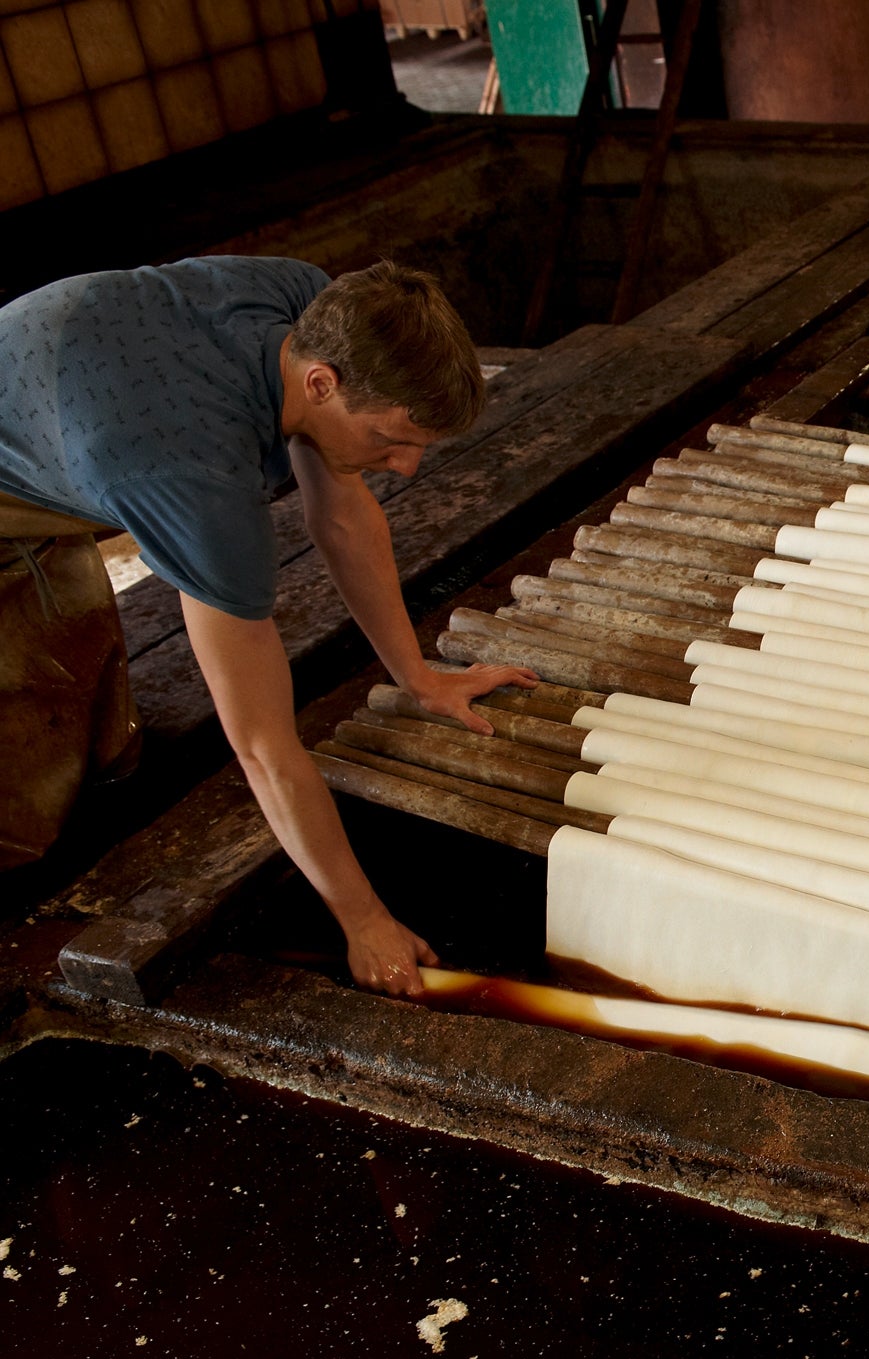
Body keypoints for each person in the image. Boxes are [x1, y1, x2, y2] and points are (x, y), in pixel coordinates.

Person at [0, 257, 535, 995]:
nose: (406, 466)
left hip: (55, 392)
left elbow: (343, 515)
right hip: (55, 441)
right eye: (390, 439)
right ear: (320, 384)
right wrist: (362, 918)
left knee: (92, 725)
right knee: (18, 801)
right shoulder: (197, 481)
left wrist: (418, 677)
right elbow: (261, 745)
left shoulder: (309, 303)